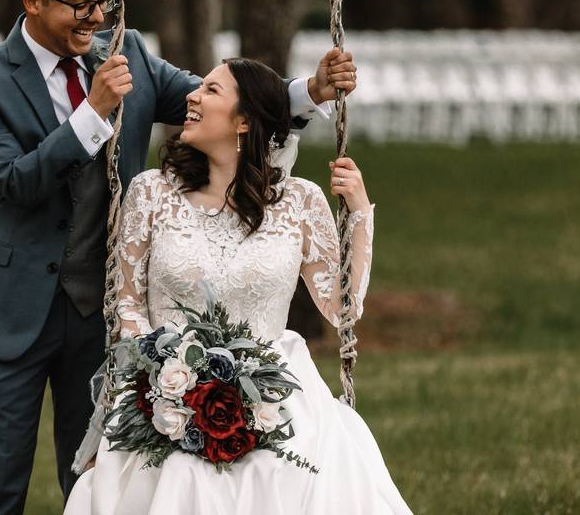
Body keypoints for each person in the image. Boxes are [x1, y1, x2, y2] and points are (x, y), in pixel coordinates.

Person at [0, 0, 358, 514]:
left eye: (102, 0)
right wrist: (94, 114)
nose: (94, 17)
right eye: (79, 4)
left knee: (94, 482)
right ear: (32, 1)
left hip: (103, 313)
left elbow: (217, 103)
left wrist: (309, 91)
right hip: (7, 308)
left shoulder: (126, 51)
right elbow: (14, 183)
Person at [64, 58, 412, 514]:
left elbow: (343, 309)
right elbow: (127, 307)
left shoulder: (300, 202)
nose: (191, 96)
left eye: (210, 91)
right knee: (179, 477)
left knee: (288, 472)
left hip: (275, 400)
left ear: (244, 121)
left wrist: (359, 211)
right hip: (166, 398)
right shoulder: (151, 193)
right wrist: (169, 384)